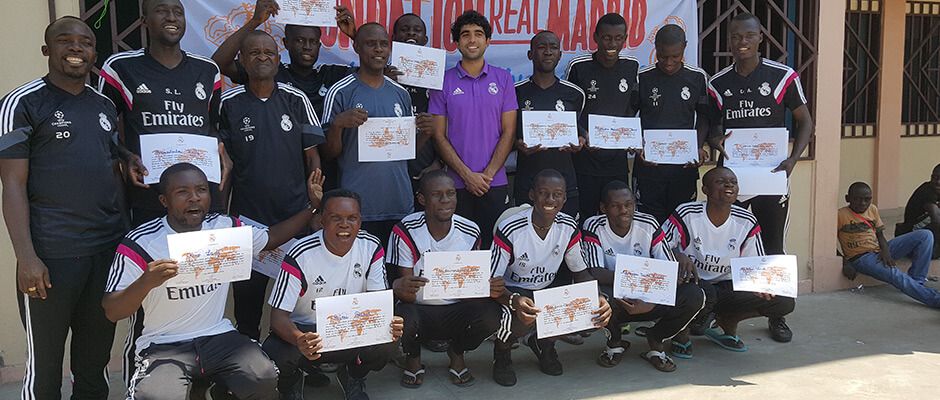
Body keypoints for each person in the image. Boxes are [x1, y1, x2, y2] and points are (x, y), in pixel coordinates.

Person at [102, 163, 324, 399]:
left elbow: (271, 238)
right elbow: (112, 310)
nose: (194, 198)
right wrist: (146, 282)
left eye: (201, 190)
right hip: (164, 344)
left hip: (217, 335)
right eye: (182, 192)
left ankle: (222, 392)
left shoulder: (224, 228)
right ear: (164, 200)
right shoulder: (142, 242)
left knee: (263, 375)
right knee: (157, 395)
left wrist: (312, 208)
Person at [0, 17, 127, 399]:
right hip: (51, 257)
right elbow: (12, 184)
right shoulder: (22, 103)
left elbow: (106, 162)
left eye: (85, 42)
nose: (76, 48)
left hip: (104, 253)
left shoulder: (104, 105)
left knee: (94, 364)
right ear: (47, 50)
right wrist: (26, 258)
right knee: (45, 371)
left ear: (94, 53)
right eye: (65, 41)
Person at [706, 13, 813, 343]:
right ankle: (725, 310)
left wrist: (793, 159)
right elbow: (711, 128)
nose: (742, 43)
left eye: (748, 36)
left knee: (772, 246)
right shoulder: (718, 83)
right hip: (732, 183)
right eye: (736, 37)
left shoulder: (782, 77)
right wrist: (713, 141)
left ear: (760, 38)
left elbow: (805, 121)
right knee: (729, 246)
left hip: (771, 178)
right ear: (728, 41)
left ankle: (776, 314)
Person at [217, 30, 324, 341]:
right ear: (242, 60)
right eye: (254, 52)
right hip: (247, 223)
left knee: (297, 305)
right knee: (247, 310)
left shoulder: (296, 99)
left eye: (269, 52)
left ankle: (302, 365)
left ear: (279, 60)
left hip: (294, 220)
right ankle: (248, 374)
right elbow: (223, 166)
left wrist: (314, 197)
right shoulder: (228, 102)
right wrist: (222, 218)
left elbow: (313, 156)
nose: (262, 57)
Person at [98, 0, 230, 228]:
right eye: (161, 11)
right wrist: (126, 156)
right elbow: (101, 130)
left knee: (207, 261)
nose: (171, 17)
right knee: (158, 263)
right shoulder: (120, 68)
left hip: (202, 196)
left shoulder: (208, 71)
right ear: (144, 21)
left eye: (178, 12)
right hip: (150, 194)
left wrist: (221, 150)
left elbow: (211, 126)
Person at [264, 189, 404, 400]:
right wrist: (299, 339)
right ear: (321, 221)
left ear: (360, 221)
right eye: (335, 218)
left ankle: (353, 374)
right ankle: (292, 380)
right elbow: (278, 318)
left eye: (352, 218)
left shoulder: (371, 246)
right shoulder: (300, 253)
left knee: (388, 339)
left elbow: (378, 303)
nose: (344, 225)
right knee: (276, 352)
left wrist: (387, 323)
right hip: (309, 333)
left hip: (349, 328)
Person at [320, 23, 434, 284]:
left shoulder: (400, 94)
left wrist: (425, 134)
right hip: (359, 208)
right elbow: (328, 153)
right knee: (361, 280)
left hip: (398, 203)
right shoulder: (342, 91)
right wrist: (338, 125)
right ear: (357, 47)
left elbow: (406, 154)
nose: (378, 50)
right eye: (371, 44)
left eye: (383, 44)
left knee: (398, 280)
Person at [489, 169, 611, 386]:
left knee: (585, 309)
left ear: (564, 199)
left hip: (546, 288)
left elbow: (580, 272)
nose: (550, 199)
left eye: (557, 195)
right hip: (513, 289)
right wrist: (513, 300)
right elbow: (493, 282)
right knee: (516, 316)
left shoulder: (568, 226)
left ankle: (545, 344)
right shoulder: (510, 228)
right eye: (544, 193)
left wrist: (597, 296)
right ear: (532, 195)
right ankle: (502, 353)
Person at [388, 170, 505, 388]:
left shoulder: (470, 230)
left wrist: (486, 288)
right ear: (422, 199)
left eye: (451, 193)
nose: (445, 200)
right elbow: (407, 295)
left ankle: (457, 351)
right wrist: (401, 287)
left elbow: (472, 283)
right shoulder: (405, 230)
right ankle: (413, 359)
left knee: (491, 315)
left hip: (456, 307)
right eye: (437, 195)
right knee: (402, 317)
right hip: (419, 308)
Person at [661, 167, 795, 352]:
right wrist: (678, 254)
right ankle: (681, 333)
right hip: (693, 284)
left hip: (726, 286)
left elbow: (753, 263)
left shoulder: (746, 220)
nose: (729, 185)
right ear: (705, 189)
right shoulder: (687, 213)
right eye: (720, 181)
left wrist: (761, 284)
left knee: (783, 301)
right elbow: (660, 246)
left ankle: (729, 320)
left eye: (733, 182)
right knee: (700, 294)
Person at [582, 181, 704, 372]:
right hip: (617, 298)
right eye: (615, 206)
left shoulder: (648, 223)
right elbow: (595, 273)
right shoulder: (593, 226)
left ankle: (656, 339)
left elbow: (668, 270)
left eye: (629, 204)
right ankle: (615, 342)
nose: (624, 210)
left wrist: (652, 300)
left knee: (694, 295)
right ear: (603, 208)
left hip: (651, 294)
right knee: (594, 296)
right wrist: (636, 286)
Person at [429, 10, 517, 248]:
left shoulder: (503, 79)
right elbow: (438, 134)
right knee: (460, 250)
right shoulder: (443, 81)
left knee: (493, 248)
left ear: (488, 41)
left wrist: (486, 175)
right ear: (456, 43)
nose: (472, 40)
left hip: (494, 181)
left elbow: (509, 132)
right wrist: (467, 175)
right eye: (465, 34)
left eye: (478, 34)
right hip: (456, 184)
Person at [212, 0, 356, 116]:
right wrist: (254, 21)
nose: (307, 46)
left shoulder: (331, 74)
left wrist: (355, 36)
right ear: (286, 43)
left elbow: (375, 75)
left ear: (319, 46)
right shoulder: (269, 71)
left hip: (323, 148)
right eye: (300, 40)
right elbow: (219, 63)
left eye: (312, 42)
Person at [564, 13, 640, 220]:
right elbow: (569, 109)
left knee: (617, 215)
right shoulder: (578, 67)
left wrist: (630, 135)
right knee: (586, 215)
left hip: (617, 160)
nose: (612, 44)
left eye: (618, 38)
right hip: (585, 159)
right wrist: (582, 133)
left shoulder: (632, 66)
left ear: (625, 39)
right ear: (596, 37)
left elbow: (633, 106)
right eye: (606, 37)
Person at [633, 24, 711, 223]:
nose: (668, 62)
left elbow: (704, 116)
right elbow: (628, 116)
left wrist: (699, 145)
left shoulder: (697, 77)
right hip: (649, 168)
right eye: (663, 55)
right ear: (656, 48)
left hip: (683, 168)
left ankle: (677, 257)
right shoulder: (642, 77)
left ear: (684, 47)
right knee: (648, 223)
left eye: (675, 56)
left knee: (681, 222)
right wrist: (638, 145)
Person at [513, 30, 586, 218]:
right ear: (530, 54)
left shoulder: (575, 94)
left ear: (560, 55)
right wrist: (517, 145)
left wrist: (581, 141)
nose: (548, 52)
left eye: (553, 47)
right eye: (541, 47)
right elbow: (505, 135)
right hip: (528, 182)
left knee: (566, 237)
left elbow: (581, 133)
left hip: (565, 184)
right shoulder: (515, 93)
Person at [839, 182, 940, 307]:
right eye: (857, 199)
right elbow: (829, 242)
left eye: (867, 199)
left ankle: (916, 282)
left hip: (879, 250)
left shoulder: (872, 209)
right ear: (847, 199)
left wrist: (885, 251)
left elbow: (880, 234)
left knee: (925, 235)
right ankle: (936, 299)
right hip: (861, 258)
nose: (863, 203)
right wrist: (845, 262)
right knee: (895, 274)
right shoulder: (840, 215)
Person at [896, 163, 940, 259]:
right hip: (912, 233)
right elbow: (936, 220)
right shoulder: (927, 191)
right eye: (934, 177)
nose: (937, 182)